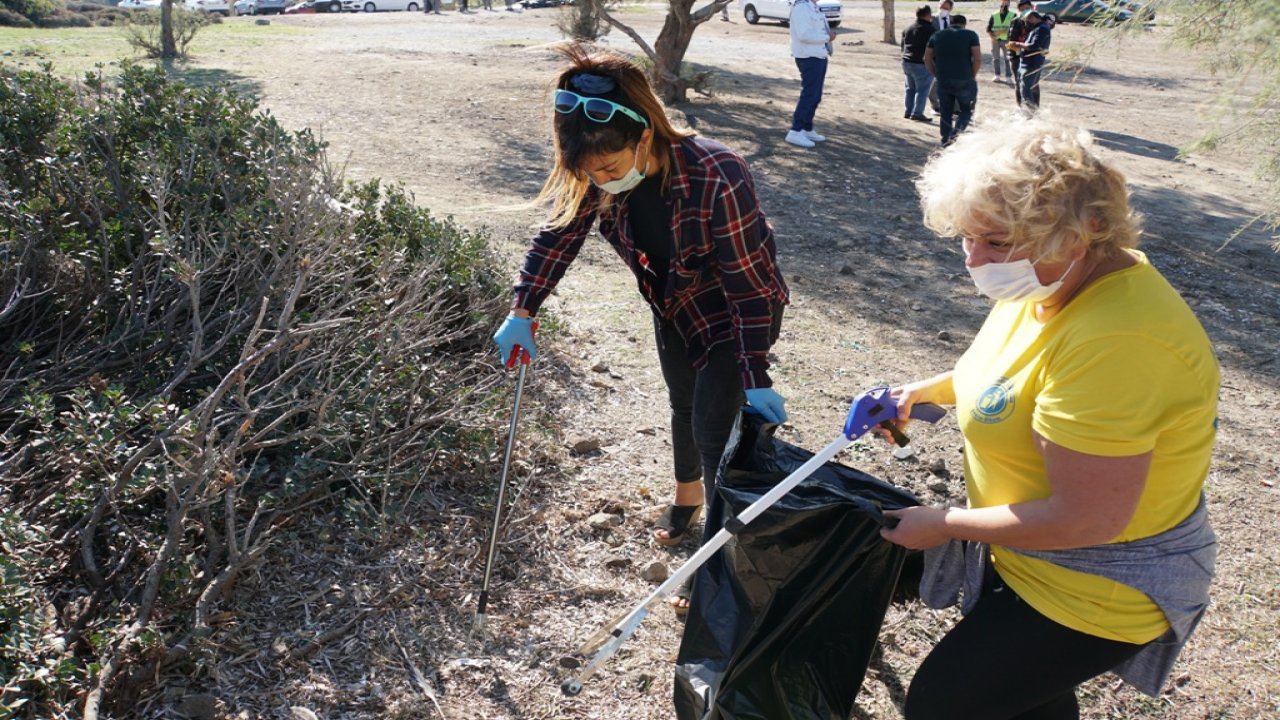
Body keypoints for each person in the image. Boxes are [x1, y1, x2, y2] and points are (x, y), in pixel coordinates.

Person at [878, 117, 1219, 720]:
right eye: (967, 237)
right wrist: (928, 391)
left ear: (1083, 231)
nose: (973, 260)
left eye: (997, 242)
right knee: (1025, 703)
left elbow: (1086, 517)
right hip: (1033, 555)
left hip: (1096, 583)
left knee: (943, 705)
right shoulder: (1049, 285)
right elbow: (1015, 375)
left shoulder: (1122, 341)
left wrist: (947, 522)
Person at [493, 47, 789, 609]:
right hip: (673, 305)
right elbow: (557, 236)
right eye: (589, 173)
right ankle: (687, 499)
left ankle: (718, 563)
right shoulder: (594, 169)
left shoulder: (717, 172)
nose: (601, 179)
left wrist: (755, 373)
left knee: (715, 431)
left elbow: (749, 287)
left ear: (645, 135)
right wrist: (521, 309)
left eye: (609, 168)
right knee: (682, 404)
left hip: (734, 309)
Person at [925, 14, 981, 146]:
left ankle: (945, 138)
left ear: (950, 22)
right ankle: (955, 135)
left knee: (946, 110)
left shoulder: (937, 35)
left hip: (943, 78)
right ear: (964, 24)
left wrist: (935, 73)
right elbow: (977, 59)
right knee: (966, 110)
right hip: (964, 78)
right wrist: (972, 74)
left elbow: (927, 58)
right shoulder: (971, 35)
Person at [786, 0, 835, 148]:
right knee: (809, 94)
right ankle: (795, 131)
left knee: (816, 95)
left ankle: (806, 127)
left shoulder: (813, 7)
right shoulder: (801, 7)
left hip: (819, 54)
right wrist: (827, 38)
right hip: (808, 56)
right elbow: (804, 35)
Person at [1008, 10, 1052, 110]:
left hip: (1031, 64)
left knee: (1026, 90)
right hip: (1028, 62)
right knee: (1030, 88)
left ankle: (1029, 113)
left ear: (1033, 17)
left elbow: (1033, 46)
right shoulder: (1037, 28)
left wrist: (1017, 44)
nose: (1026, 23)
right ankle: (1033, 112)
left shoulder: (1042, 29)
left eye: (1027, 20)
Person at [902, 5, 937, 123]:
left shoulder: (908, 28)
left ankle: (908, 111)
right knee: (922, 90)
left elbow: (903, 45)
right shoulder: (931, 30)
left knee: (910, 88)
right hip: (922, 63)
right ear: (928, 15)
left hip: (907, 61)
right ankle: (917, 113)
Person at [1005, 0, 1035, 105]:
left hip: (1032, 56)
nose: (1025, 11)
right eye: (1022, 9)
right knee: (1019, 82)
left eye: (1027, 8)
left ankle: (1035, 107)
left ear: (1032, 7)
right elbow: (1011, 39)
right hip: (1016, 55)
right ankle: (1020, 106)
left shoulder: (1036, 21)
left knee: (1033, 83)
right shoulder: (1016, 21)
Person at [987, 0, 1016, 83]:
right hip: (995, 40)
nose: (1005, 3)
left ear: (1009, 4)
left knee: (1008, 59)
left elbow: (1015, 29)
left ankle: (1008, 77)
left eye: (1007, 2)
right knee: (996, 58)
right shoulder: (994, 15)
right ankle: (997, 75)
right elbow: (989, 29)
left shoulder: (1013, 15)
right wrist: (993, 38)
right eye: (1003, 2)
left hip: (1007, 40)